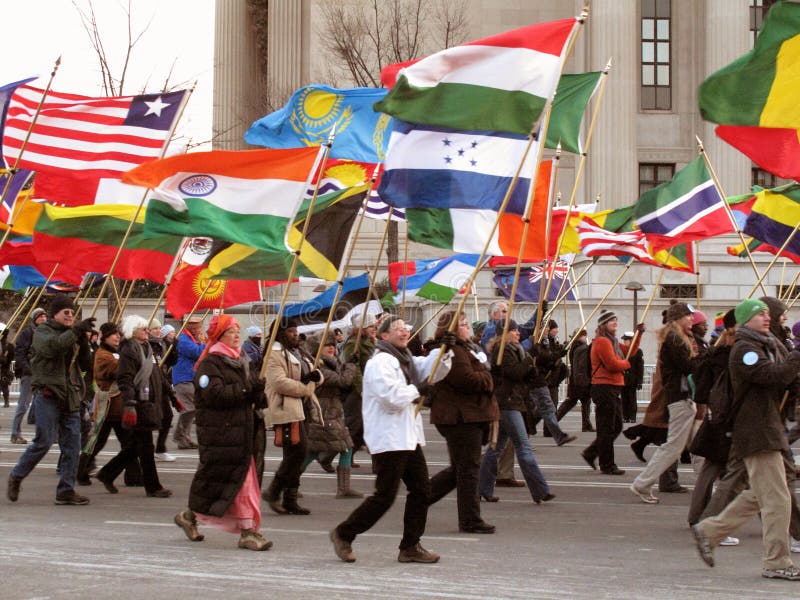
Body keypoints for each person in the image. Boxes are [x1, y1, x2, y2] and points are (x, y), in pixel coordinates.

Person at [691, 298, 800, 580]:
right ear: (745, 320)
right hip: (756, 430)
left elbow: (786, 379)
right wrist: (796, 356)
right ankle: (776, 561)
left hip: (768, 428)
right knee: (777, 499)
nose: (767, 318)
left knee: (760, 494)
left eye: (767, 314)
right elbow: (771, 376)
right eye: (759, 314)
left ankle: (709, 531)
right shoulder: (745, 349)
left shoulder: (767, 345)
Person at [330, 316, 451, 564]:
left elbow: (432, 368)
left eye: (405, 328)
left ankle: (410, 546)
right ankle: (344, 532)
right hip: (388, 437)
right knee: (385, 495)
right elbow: (391, 398)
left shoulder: (404, 359)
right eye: (397, 329)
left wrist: (445, 348)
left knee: (421, 490)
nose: (404, 331)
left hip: (406, 437)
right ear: (383, 336)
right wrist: (419, 389)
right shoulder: (380, 362)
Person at [174, 314, 271, 551]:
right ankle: (248, 532)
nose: (237, 335)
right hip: (220, 433)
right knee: (229, 482)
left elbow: (248, 395)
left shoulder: (242, 360)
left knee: (232, 482)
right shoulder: (211, 363)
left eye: (238, 330)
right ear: (219, 336)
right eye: (231, 331)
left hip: (241, 432)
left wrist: (259, 392)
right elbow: (215, 395)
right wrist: (248, 388)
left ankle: (190, 516)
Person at [7, 295, 94, 505]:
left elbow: (84, 365)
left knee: (73, 445)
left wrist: (83, 342)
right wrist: (75, 332)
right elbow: (52, 348)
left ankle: (66, 489)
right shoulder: (42, 331)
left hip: (70, 395)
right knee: (44, 441)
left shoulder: (71, 334)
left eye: (73, 313)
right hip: (48, 394)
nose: (70, 316)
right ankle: (17, 475)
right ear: (55, 314)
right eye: (66, 312)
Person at [428, 311, 497, 533]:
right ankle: (470, 519)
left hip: (466, 415)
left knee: (460, 469)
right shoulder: (454, 350)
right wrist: (488, 379)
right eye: (463, 324)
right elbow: (465, 380)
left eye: (467, 324)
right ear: (453, 329)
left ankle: (421, 497)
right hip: (459, 417)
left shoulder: (466, 348)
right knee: (467, 470)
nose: (468, 328)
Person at [479, 319, 555, 505]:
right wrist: (529, 358)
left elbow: (523, 377)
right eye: (513, 330)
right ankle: (540, 490)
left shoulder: (515, 349)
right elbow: (514, 373)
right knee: (523, 446)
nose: (517, 333)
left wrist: (533, 367)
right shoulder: (502, 351)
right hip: (507, 403)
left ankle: (482, 488)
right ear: (504, 333)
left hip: (515, 401)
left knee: (495, 449)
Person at [95, 315, 172, 499]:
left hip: (150, 402)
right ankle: (153, 487)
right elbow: (125, 379)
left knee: (138, 446)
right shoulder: (129, 350)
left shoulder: (146, 348)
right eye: (143, 328)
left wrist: (170, 393)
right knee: (145, 446)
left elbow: (157, 374)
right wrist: (129, 403)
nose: (147, 331)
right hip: (138, 403)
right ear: (133, 331)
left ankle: (107, 473)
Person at [630, 301, 699, 503]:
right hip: (680, 398)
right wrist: (705, 357)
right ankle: (642, 483)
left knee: (699, 446)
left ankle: (711, 484)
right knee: (673, 447)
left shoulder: (681, 337)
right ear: (677, 318)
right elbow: (688, 366)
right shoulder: (675, 338)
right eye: (688, 316)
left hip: (685, 397)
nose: (692, 319)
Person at [262, 317, 322, 515]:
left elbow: (313, 370)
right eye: (290, 332)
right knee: (298, 452)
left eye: (296, 331)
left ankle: (289, 499)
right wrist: (305, 387)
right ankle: (274, 490)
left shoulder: (298, 351)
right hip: (285, 408)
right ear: (280, 334)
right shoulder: (274, 353)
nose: (295, 335)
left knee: (296, 453)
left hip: (300, 407)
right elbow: (279, 382)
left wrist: (314, 377)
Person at [580, 309, 642, 476]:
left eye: (615, 320)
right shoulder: (602, 342)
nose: (615, 322)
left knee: (615, 426)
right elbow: (612, 364)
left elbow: (631, 351)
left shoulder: (612, 341)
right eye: (611, 321)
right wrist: (626, 364)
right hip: (604, 387)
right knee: (607, 428)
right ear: (604, 325)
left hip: (612, 387)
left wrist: (638, 334)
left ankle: (591, 453)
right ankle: (607, 465)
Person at [77, 322, 139, 486]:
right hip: (108, 405)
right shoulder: (102, 354)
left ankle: (133, 476)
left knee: (128, 442)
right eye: (113, 334)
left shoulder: (116, 353)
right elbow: (119, 371)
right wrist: (131, 360)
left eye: (119, 334)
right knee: (98, 442)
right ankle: (80, 471)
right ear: (104, 336)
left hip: (118, 405)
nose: (118, 336)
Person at [303, 330, 362, 498]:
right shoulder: (318, 366)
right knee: (324, 449)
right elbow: (343, 381)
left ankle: (344, 488)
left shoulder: (332, 362)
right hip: (323, 412)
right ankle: (288, 482)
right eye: (326, 345)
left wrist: (347, 364)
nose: (331, 348)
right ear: (317, 348)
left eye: (332, 345)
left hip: (333, 412)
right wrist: (351, 366)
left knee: (339, 447)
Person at [340, 313, 379, 469]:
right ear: (361, 328)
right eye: (370, 326)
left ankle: (350, 455)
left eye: (375, 326)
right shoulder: (353, 344)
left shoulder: (371, 342)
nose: (374, 329)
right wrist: (361, 388)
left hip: (370, 388)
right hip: (357, 390)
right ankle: (327, 456)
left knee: (365, 427)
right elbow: (352, 367)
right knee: (355, 425)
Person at [10, 307, 47, 444]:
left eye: (44, 316)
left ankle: (44, 434)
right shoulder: (27, 333)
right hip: (30, 373)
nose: (43, 318)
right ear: (35, 318)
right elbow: (20, 353)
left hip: (41, 374)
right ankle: (15, 433)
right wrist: (28, 369)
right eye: (40, 316)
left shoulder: (45, 333)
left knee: (42, 404)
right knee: (23, 404)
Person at [172, 315, 206, 449]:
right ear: (189, 326)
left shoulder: (192, 338)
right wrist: (205, 344)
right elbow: (198, 353)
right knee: (189, 408)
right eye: (196, 326)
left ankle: (184, 438)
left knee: (191, 408)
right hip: (183, 377)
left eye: (199, 326)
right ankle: (180, 436)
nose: (199, 329)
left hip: (190, 377)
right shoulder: (183, 339)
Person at [149, 320, 180, 462]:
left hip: (162, 385)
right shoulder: (148, 345)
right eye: (154, 328)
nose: (158, 331)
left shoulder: (162, 344)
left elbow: (171, 362)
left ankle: (160, 448)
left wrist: (174, 346)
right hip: (150, 388)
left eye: (159, 328)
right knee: (149, 421)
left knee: (167, 416)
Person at [556, 328, 594, 432]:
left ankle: (586, 424)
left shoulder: (575, 347)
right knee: (571, 402)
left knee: (585, 402)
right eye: (585, 336)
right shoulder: (582, 348)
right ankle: (553, 422)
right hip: (580, 381)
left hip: (577, 379)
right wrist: (583, 381)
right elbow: (581, 366)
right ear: (583, 336)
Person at [620, 332, 644, 423]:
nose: (624, 342)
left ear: (631, 340)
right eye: (624, 340)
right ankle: (625, 416)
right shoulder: (621, 351)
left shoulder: (638, 351)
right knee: (624, 398)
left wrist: (639, 381)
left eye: (626, 340)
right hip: (623, 378)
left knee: (632, 398)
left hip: (632, 379)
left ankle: (632, 417)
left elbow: (640, 368)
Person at [0, 325, 14, 407]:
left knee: (4, 385)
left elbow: (11, 357)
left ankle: (6, 401)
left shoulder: (9, 346)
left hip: (4, 369)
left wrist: (6, 360)